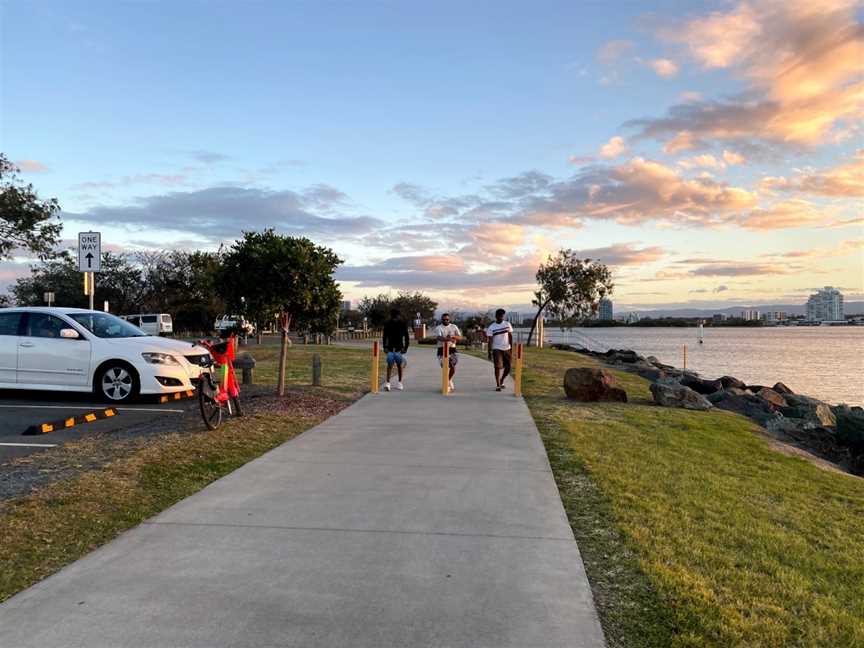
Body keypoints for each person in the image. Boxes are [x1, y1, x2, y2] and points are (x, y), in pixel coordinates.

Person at [485, 309, 514, 391]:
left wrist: (511, 348)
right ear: (496, 316)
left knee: (508, 367)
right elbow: (490, 340)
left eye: (502, 316)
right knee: (497, 367)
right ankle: (498, 385)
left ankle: (502, 380)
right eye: (500, 316)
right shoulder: (492, 327)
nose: (501, 317)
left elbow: (510, 336)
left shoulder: (507, 324)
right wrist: (489, 352)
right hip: (496, 348)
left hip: (507, 348)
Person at [382, 308, 410, 391]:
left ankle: (400, 383)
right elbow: (384, 337)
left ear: (398, 315)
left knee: (399, 365)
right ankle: (388, 383)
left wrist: (405, 348)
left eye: (395, 315)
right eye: (393, 315)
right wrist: (385, 347)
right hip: (390, 348)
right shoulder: (387, 324)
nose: (394, 317)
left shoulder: (402, 324)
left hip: (399, 348)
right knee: (390, 365)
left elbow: (407, 337)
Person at [435, 313, 462, 392]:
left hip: (452, 349)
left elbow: (460, 337)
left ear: (449, 320)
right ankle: (446, 382)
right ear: (441, 320)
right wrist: (448, 339)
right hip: (441, 349)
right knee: (445, 367)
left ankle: (447, 381)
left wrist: (453, 337)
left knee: (452, 366)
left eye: (447, 319)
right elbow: (438, 337)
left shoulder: (454, 327)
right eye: (444, 319)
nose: (445, 321)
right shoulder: (439, 328)